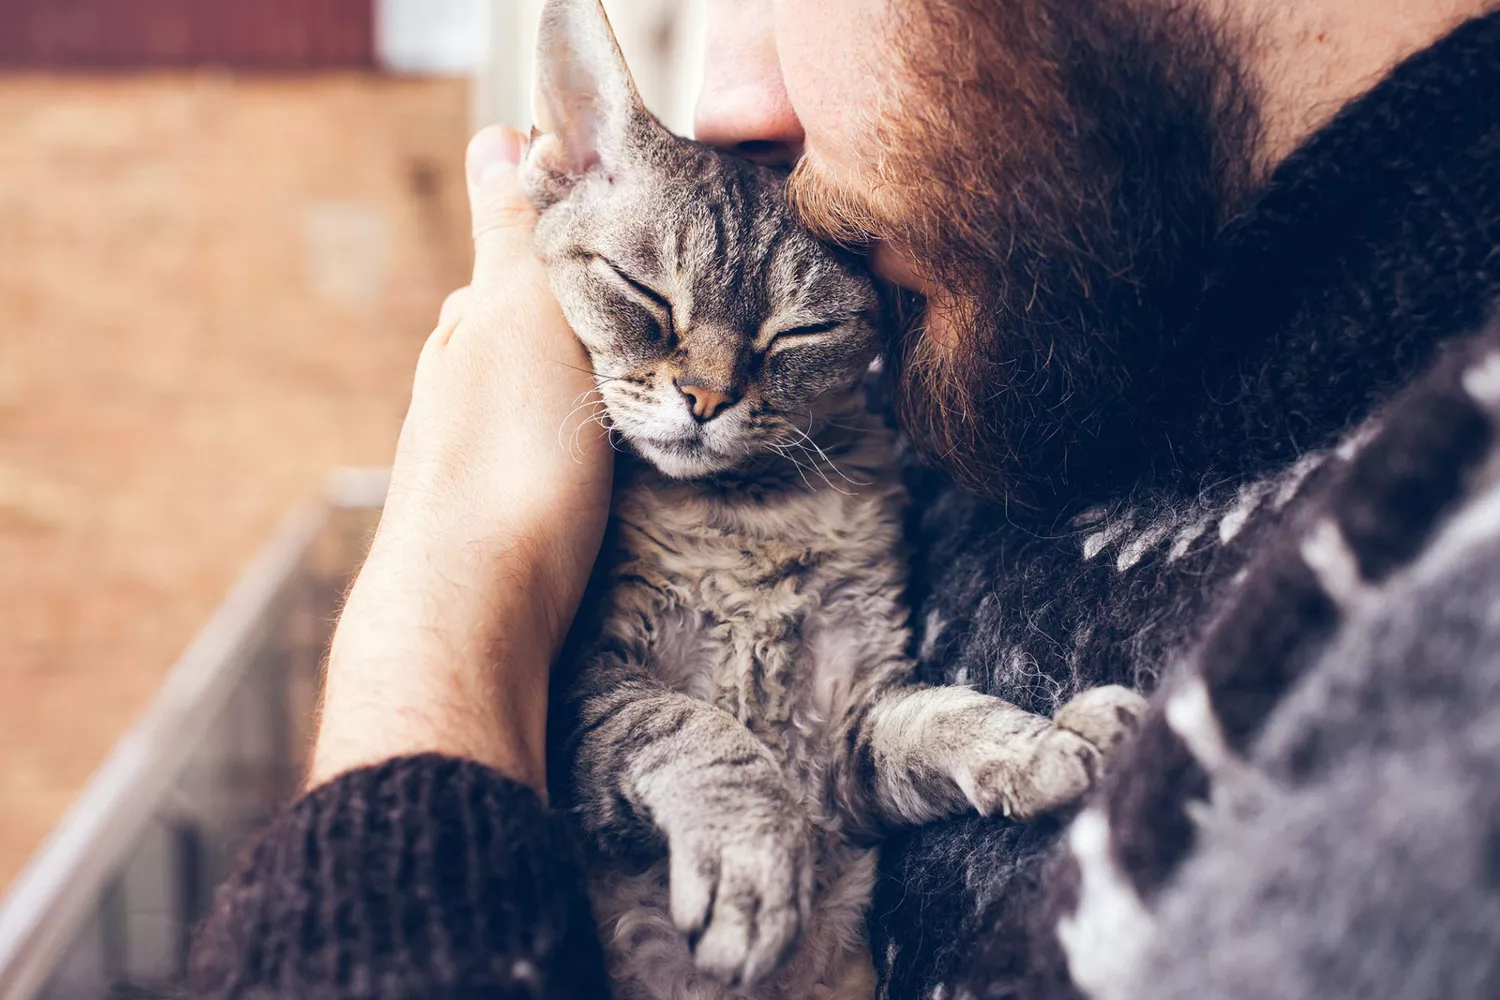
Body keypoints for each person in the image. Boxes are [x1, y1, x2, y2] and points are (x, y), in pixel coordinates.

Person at [189, 1, 1500, 998]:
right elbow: (839, 745)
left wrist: (431, 625)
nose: (733, 94)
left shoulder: (1438, 671)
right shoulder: (1026, 306)